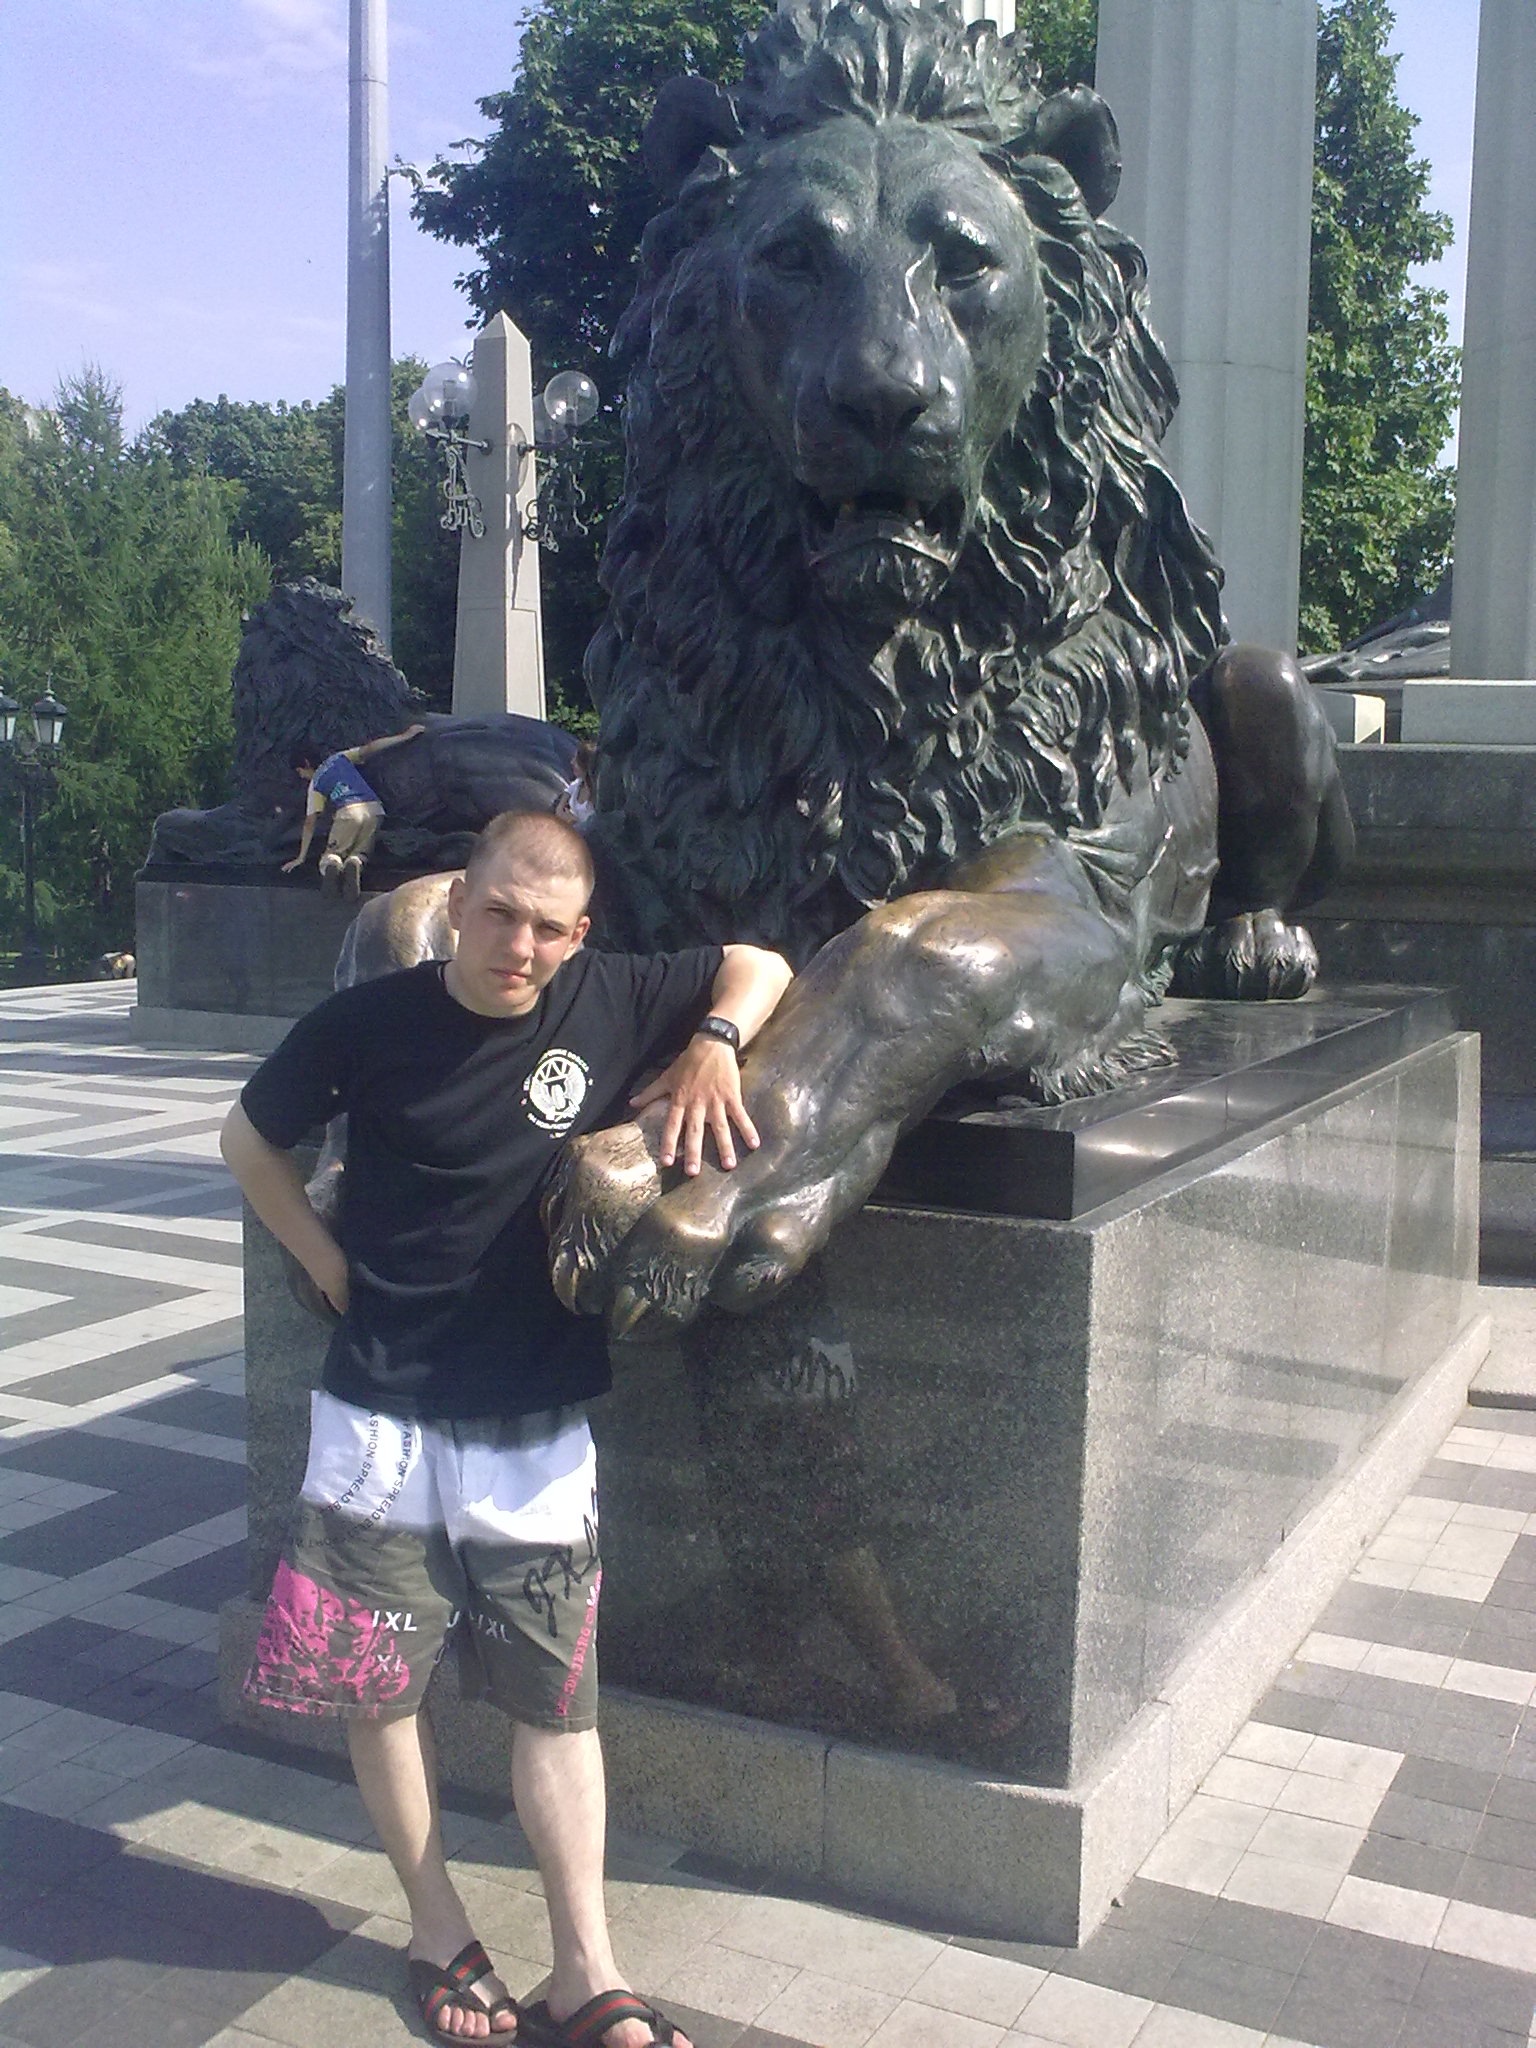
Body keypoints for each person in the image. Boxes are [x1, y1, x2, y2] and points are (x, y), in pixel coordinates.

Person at [220, 809, 792, 2045]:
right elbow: (247, 1137)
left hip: (536, 1427)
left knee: (558, 1700)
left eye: (548, 926)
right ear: (458, 903)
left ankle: (587, 1969)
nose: (519, 946)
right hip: (378, 1422)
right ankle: (437, 1931)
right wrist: (319, 1256)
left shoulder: (608, 992)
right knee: (378, 1690)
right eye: (498, 914)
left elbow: (763, 962)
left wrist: (713, 1043)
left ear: (579, 932)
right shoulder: (368, 1022)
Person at [283, 722, 427, 898]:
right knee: (360, 854)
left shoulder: (316, 783)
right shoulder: (339, 758)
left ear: (306, 763)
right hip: (374, 810)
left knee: (331, 856)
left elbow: (310, 821)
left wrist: (301, 857)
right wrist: (405, 736)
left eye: (300, 772)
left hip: (348, 812)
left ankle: (332, 867)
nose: (302, 777)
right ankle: (355, 863)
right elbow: (370, 748)